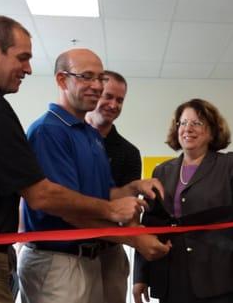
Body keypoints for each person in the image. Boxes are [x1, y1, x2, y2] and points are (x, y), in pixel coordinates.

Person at [0, 15, 159, 303]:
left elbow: (92, 192)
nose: (28, 69)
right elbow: (41, 196)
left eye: (100, 78)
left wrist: (129, 191)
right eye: (22, 58)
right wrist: (117, 218)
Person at [18, 49, 170, 303]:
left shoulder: (90, 135)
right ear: (61, 80)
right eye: (86, 76)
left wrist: (133, 187)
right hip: (57, 262)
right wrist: (135, 238)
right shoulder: (49, 131)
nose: (96, 86)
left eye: (100, 78)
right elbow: (68, 209)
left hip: (90, 260)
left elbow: (103, 194)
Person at [133, 99, 233, 303]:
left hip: (222, 277)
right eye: (183, 123)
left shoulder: (228, 164)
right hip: (174, 276)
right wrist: (141, 276)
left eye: (197, 123)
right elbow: (150, 224)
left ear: (212, 131)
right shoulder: (162, 171)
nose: (188, 128)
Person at [85, 70, 141, 303]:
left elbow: (129, 211)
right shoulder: (66, 137)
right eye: (107, 96)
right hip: (65, 251)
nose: (113, 104)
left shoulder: (129, 153)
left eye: (119, 100)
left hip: (111, 251)